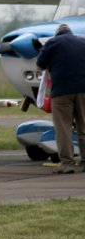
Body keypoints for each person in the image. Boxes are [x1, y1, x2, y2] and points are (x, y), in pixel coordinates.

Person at [35, 23, 85, 173]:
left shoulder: (52, 43)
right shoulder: (83, 42)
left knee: (64, 128)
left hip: (62, 92)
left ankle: (67, 163)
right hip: (84, 91)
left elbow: (39, 66)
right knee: (83, 127)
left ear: (58, 34)